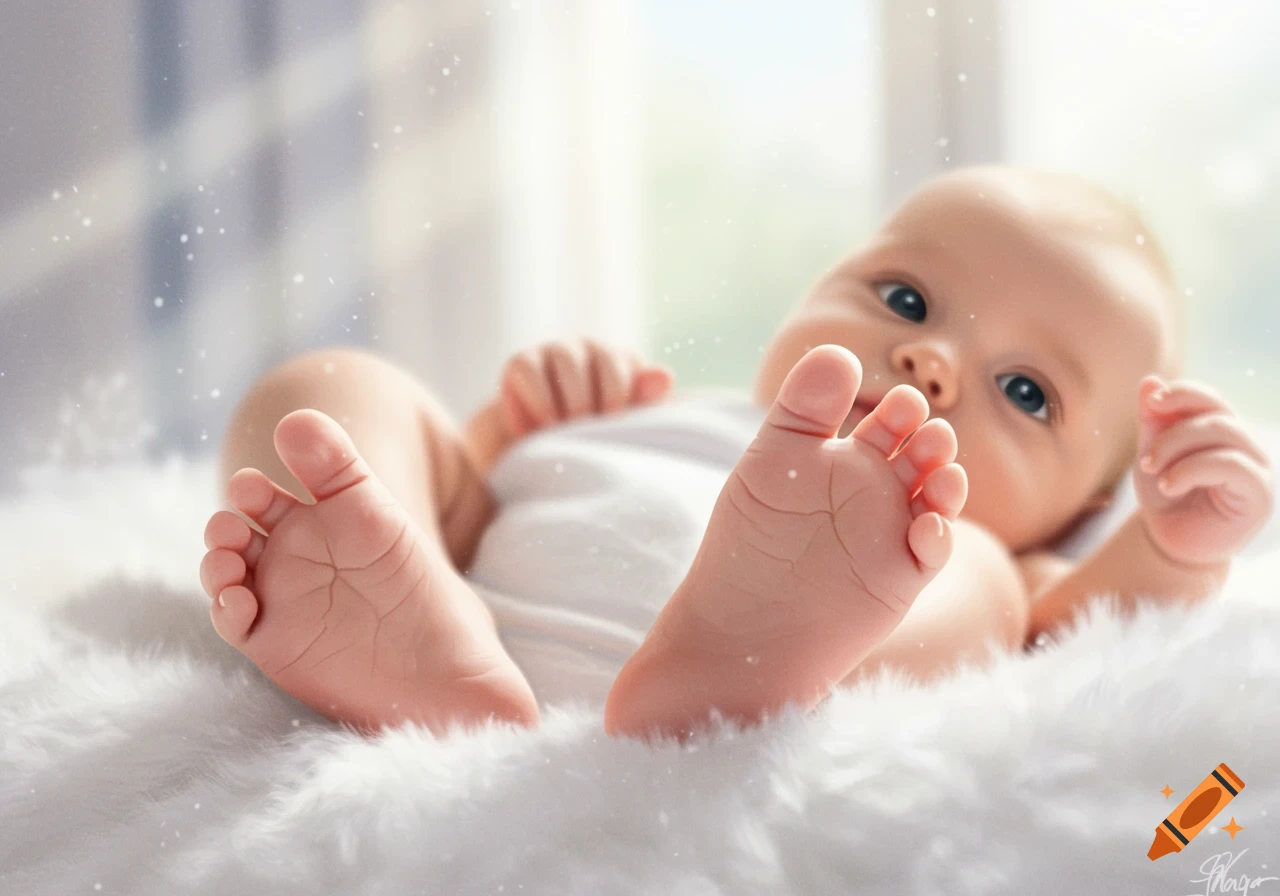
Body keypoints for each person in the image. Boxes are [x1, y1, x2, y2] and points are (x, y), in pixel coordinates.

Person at [197, 167, 1274, 740]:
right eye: (904, 297)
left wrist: (1173, 548)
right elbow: (485, 493)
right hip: (481, 624)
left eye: (1025, 392)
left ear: (1071, 512)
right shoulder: (675, 418)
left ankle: (744, 655)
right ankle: (410, 624)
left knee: (975, 580)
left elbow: (1089, 622)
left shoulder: (1003, 553)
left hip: (795, 646)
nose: (930, 361)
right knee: (334, 391)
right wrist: (513, 425)